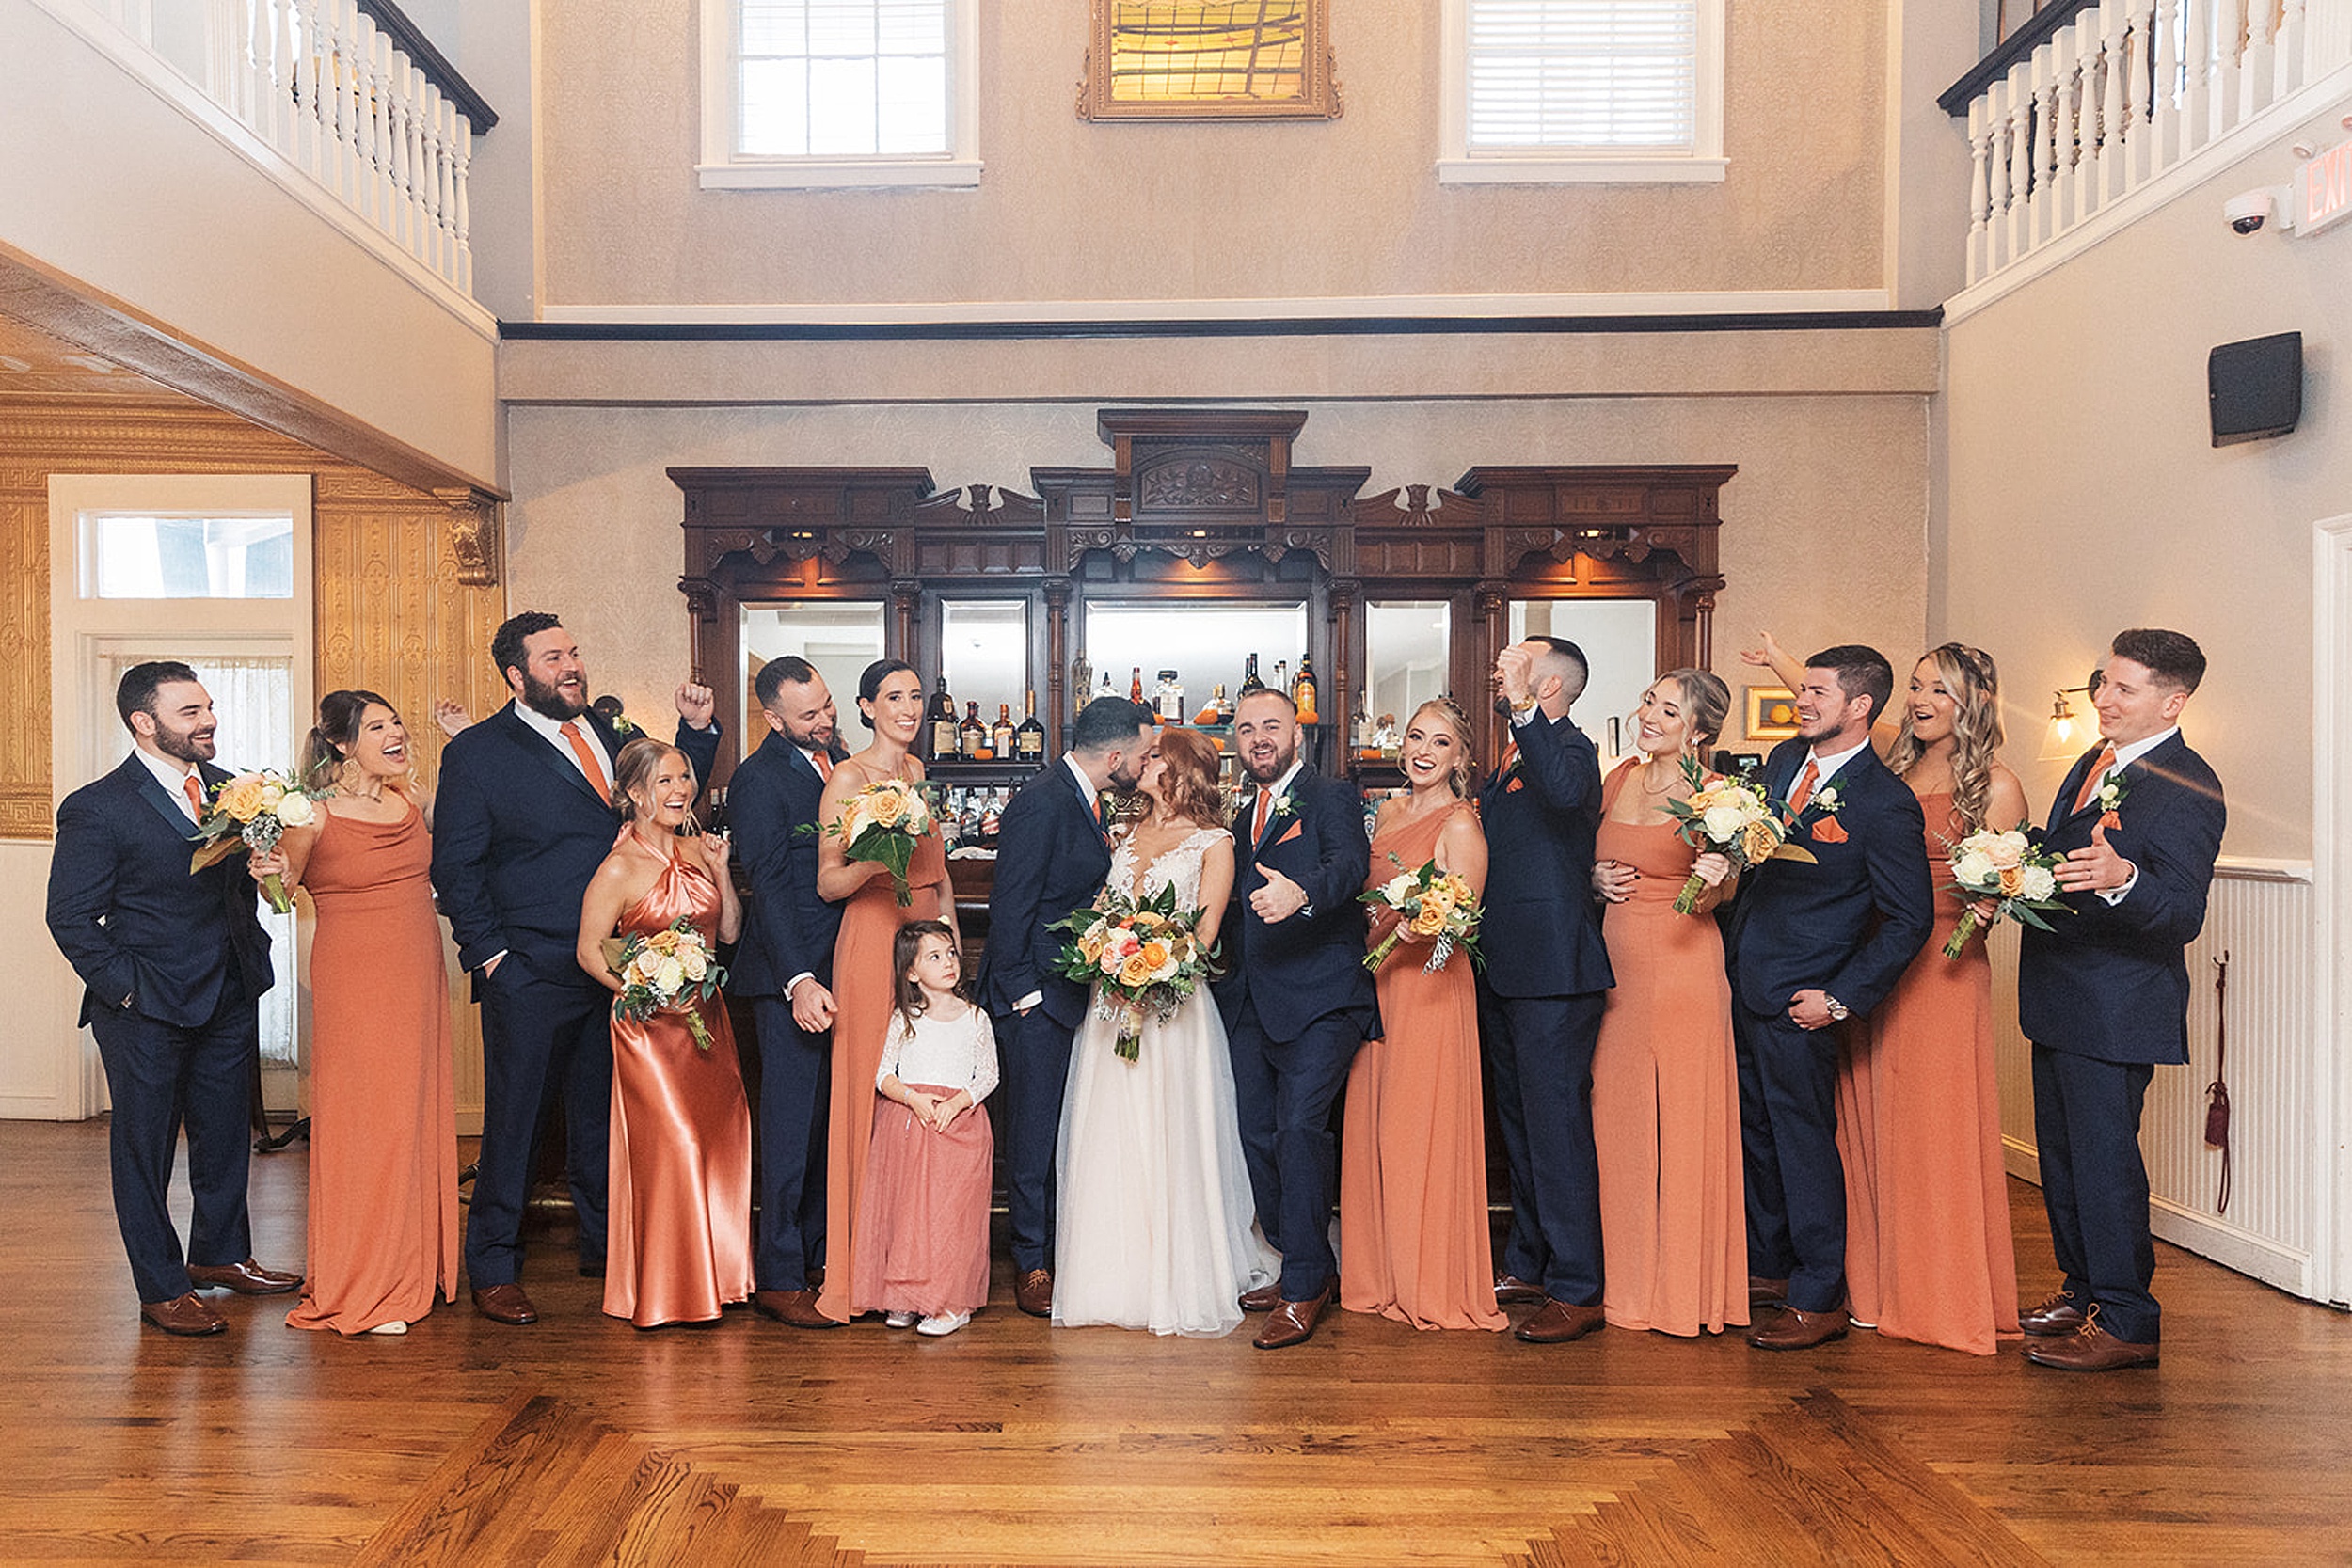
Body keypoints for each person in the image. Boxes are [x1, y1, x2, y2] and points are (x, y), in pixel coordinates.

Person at [430, 611, 720, 1326]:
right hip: (531, 968)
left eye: (574, 652)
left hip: (621, 967)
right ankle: (493, 1262)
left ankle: (604, 1246)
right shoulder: (477, 752)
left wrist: (697, 735)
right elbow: (455, 867)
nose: (571, 665)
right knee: (517, 1122)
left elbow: (666, 793)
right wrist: (493, 957)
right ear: (516, 674)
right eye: (553, 656)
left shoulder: (610, 730)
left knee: (603, 1116)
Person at [45, 661, 298, 1336]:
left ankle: (219, 1255)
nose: (208, 719)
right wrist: (126, 992)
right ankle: (159, 1285)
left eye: (208, 706)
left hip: (230, 993)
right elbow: (69, 916)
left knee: (226, 1137)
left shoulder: (233, 790)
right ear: (144, 722)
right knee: (144, 1149)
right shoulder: (97, 805)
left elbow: (249, 892)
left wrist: (271, 880)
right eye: (190, 711)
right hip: (145, 1010)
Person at [2017, 629, 2224, 1372]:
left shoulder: (2188, 782)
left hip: (2116, 1005)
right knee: (2064, 1159)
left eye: (2124, 688)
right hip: (2060, 993)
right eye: (2103, 682)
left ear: (2173, 700)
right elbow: (2066, 856)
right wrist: (2012, 863)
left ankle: (2130, 1320)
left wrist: (2123, 876)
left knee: (2105, 1165)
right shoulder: (2091, 759)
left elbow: (2182, 912)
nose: (2103, 698)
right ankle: (2083, 1292)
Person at [1726, 644, 1934, 1352]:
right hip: (1745, 979)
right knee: (1756, 1136)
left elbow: (1910, 917)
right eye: (1803, 689)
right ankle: (1772, 1268)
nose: (1801, 700)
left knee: (1803, 1142)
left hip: (1802, 1000)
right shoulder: (1785, 762)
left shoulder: (1885, 802)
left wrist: (1840, 998)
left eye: (1816, 691)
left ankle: (1819, 1295)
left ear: (1859, 707)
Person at [247, 690, 460, 1337]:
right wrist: (269, 872)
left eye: (396, 721)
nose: (395, 732)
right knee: (370, 1120)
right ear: (341, 742)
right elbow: (282, 894)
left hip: (418, 969)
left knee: (413, 1111)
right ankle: (366, 1280)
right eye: (377, 726)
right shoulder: (310, 814)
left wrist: (463, 736)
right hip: (356, 976)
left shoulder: (412, 799)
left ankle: (413, 1262)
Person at [1055, 725, 1275, 1338]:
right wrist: (1105, 951)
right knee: (1112, 1129)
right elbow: (1103, 906)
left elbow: (1202, 936)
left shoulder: (1215, 842)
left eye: (1155, 758)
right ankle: (1111, 1273)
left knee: (1172, 1130)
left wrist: (1154, 972)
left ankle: (1180, 1268)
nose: (1143, 763)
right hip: (1113, 1004)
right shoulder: (1125, 832)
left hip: (1172, 1009)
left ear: (1180, 770)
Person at [1846, 645, 2026, 1355]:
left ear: (1972, 702)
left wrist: (1992, 902)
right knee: (1868, 1116)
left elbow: (2009, 879)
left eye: (1938, 690)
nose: (1920, 700)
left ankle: (1939, 1293)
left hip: (1945, 969)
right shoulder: (1887, 771)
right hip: (1872, 958)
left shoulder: (1997, 784)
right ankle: (1874, 1284)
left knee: (1935, 1129)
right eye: (1916, 687)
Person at [980, 696, 1156, 1319]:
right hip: (1035, 1001)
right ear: (1116, 756)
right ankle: (1031, 1262)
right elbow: (1012, 906)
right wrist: (1025, 993)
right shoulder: (1042, 800)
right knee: (1031, 1136)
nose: (1146, 762)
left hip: (1065, 995)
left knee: (1054, 1130)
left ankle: (1052, 1250)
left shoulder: (1081, 798)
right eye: (1144, 753)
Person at [1587, 670, 1746, 1338]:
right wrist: (1593, 876)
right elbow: (1591, 858)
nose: (1649, 713)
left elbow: (1725, 889)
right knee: (1616, 1117)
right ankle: (1625, 1281)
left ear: (1700, 730)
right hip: (1615, 964)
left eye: (1668, 708)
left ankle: (1684, 1288)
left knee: (1683, 1123)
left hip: (1683, 962)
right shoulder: (1619, 777)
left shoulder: (1716, 795)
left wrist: (1717, 879)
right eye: (1649, 699)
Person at [1338, 699, 1505, 1333]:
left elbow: (1462, 921)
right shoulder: (1387, 809)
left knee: (1418, 1127)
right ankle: (1380, 1271)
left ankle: (1428, 1276)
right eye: (1414, 736)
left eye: (1439, 741)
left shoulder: (1462, 822)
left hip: (1431, 987)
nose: (1423, 750)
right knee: (1378, 1126)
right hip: (1378, 982)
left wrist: (1421, 924)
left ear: (1461, 756)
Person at [575, 738, 751, 1328]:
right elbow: (588, 953)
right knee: (674, 1147)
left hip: (708, 1022)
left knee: (717, 1147)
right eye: (667, 781)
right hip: (649, 1032)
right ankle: (668, 1289)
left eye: (685, 779)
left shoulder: (703, 851)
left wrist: (723, 875)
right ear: (633, 794)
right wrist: (640, 988)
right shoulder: (618, 867)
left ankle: (717, 1278)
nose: (681, 791)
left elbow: (726, 933)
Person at [1219, 688, 1375, 1349]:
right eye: (1248, 727)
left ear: (1296, 733)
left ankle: (1307, 1282)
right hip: (1252, 996)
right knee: (1255, 1133)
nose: (1259, 736)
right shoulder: (1240, 810)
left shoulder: (1331, 794)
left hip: (1322, 993)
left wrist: (1305, 890)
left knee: (1298, 1128)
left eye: (1272, 725)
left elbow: (1351, 866)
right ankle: (1298, 1259)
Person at [1478, 637, 1615, 1345]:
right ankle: (1528, 1260)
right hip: (1505, 968)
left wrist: (1526, 708)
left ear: (1551, 682)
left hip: (1555, 975)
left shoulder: (1572, 749)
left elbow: (1564, 796)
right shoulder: (1509, 755)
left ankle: (1579, 1286)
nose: (1501, 662)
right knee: (1522, 1126)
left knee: (1557, 1132)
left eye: (1518, 658)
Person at [813, 659, 955, 1324]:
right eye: (893, 697)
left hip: (924, 933)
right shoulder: (847, 775)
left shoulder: (920, 773)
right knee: (874, 1086)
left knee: (921, 1088)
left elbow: (941, 872)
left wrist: (947, 944)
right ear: (866, 707)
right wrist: (880, 849)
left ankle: (909, 1259)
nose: (908, 707)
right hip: (872, 936)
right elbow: (828, 882)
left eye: (916, 696)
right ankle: (860, 1267)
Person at [726, 657, 847, 1329]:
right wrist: (798, 979)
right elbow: (768, 885)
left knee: (830, 1126)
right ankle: (777, 1273)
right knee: (789, 1129)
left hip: (845, 965)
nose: (826, 719)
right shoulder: (757, 779)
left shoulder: (840, 761)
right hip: (789, 980)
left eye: (827, 705)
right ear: (773, 718)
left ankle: (821, 1259)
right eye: (810, 714)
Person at [854, 921, 997, 1337]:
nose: (949, 962)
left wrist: (956, 1102)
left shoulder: (975, 1017)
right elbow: (883, 1074)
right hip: (911, 1125)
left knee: (950, 1217)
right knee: (910, 1215)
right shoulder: (905, 1019)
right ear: (912, 972)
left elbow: (989, 1074)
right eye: (935, 957)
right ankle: (908, 1297)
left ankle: (953, 1303)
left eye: (951, 953)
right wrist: (913, 1099)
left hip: (958, 1127)